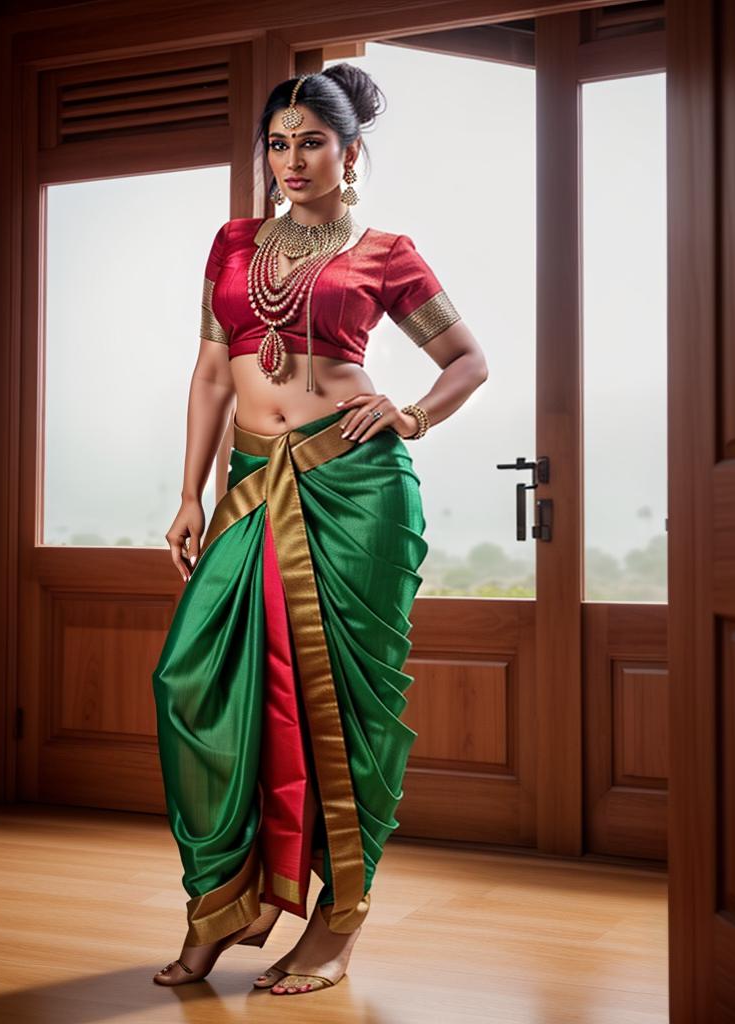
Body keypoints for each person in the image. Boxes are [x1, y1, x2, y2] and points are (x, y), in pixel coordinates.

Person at [151, 64, 489, 995]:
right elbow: (214, 375)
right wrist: (189, 494)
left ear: (349, 151)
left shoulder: (387, 250)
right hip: (254, 487)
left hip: (355, 488)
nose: (290, 159)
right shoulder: (232, 244)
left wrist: (412, 415)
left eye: (310, 141)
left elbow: (468, 360)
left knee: (343, 709)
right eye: (277, 141)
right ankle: (232, 902)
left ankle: (337, 925)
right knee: (196, 681)